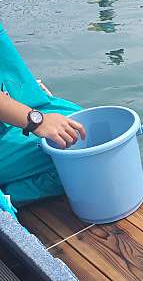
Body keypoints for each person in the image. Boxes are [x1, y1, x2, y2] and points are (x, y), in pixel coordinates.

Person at [0, 23, 86, 206]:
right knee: (80, 159)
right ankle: (9, 197)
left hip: (15, 112)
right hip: (13, 125)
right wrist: (37, 120)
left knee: (84, 124)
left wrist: (24, 94)